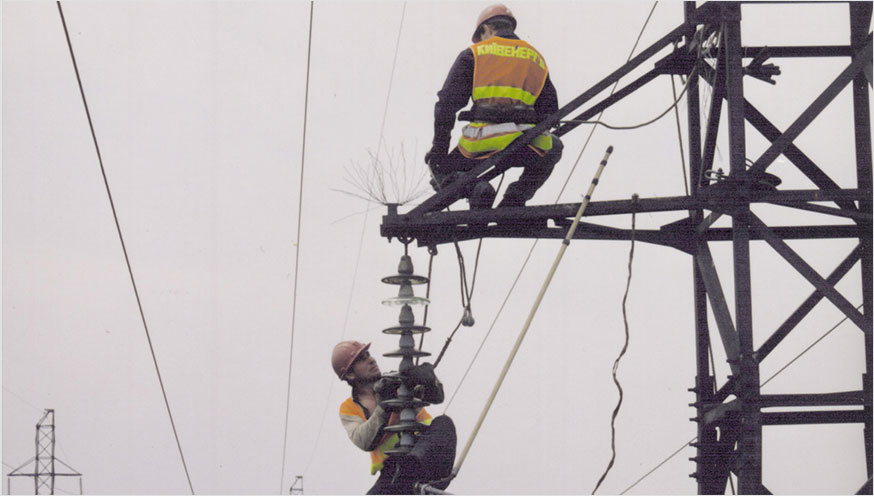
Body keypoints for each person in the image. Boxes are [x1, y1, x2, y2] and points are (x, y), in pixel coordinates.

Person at [425, 3, 563, 210]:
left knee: (436, 165)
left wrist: (439, 150)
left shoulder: (474, 54)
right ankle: (515, 198)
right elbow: (551, 112)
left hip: (480, 144)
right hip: (527, 144)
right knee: (555, 146)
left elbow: (446, 106)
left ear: (486, 29)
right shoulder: (536, 58)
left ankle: (476, 189)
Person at [332, 340, 456, 495]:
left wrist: (429, 380)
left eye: (368, 354)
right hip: (394, 473)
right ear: (350, 374)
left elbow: (436, 397)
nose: (371, 359)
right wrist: (384, 406)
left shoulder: (398, 382)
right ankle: (407, 470)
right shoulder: (349, 408)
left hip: (429, 461)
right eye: (362, 359)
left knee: (444, 423)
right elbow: (363, 440)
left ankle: (411, 467)